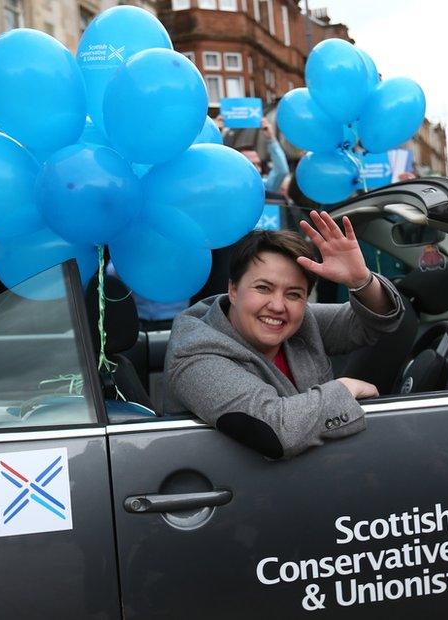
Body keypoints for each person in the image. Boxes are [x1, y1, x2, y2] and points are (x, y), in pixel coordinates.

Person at [164, 210, 404, 459]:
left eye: (293, 294)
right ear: (233, 290)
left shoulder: (300, 322)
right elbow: (274, 430)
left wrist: (360, 280)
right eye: (263, 288)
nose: (278, 306)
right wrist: (343, 389)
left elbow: (374, 321)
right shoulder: (194, 351)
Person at [240, 117, 290, 193]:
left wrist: (271, 139)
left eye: (259, 164)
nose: (258, 169)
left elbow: (281, 171)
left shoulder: (263, 187)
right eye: (252, 165)